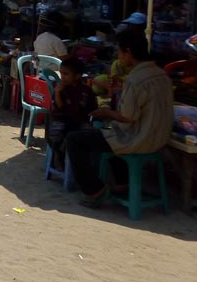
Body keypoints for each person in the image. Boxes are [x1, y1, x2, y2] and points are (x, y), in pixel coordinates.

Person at [65, 30, 174, 207]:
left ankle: (94, 190)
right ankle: (123, 184)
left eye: (120, 51)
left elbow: (127, 117)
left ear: (128, 52)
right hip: (160, 138)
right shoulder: (161, 74)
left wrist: (106, 112)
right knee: (110, 132)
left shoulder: (136, 78)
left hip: (140, 138)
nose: (118, 55)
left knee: (75, 140)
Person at [47, 57, 97, 171]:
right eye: (61, 73)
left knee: (91, 135)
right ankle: (58, 155)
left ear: (77, 76)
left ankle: (85, 165)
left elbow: (92, 108)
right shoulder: (61, 89)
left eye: (66, 74)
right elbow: (59, 108)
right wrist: (58, 93)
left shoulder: (86, 90)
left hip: (80, 121)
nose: (62, 77)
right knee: (55, 135)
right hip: (62, 119)